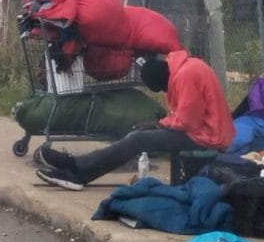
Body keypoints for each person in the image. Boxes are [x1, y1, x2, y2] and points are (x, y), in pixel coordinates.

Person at [35, 50, 235, 191]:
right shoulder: (184, 68)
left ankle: (76, 166)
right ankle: (79, 175)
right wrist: (160, 124)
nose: (166, 92)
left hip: (207, 136)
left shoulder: (186, 75)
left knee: (138, 140)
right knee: (138, 136)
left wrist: (159, 124)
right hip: (202, 131)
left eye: (164, 89)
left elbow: (188, 122)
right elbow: (186, 116)